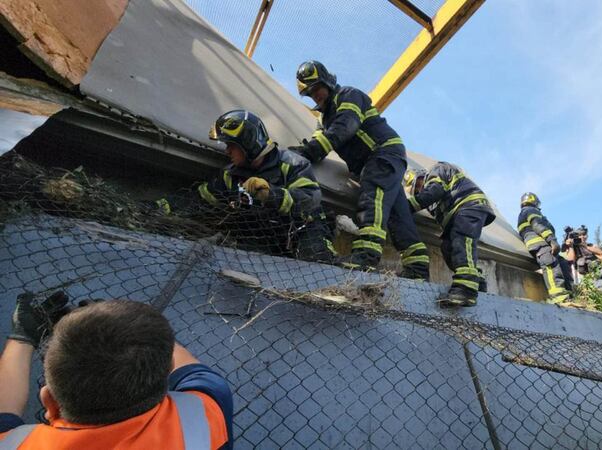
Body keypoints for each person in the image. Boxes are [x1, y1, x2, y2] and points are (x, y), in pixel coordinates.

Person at [0, 292, 233, 449]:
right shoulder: (205, 414)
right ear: (168, 370)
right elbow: (187, 365)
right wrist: (129, 326)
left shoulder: (14, 444)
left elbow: (4, 413)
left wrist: (22, 336)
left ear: (48, 402)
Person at [290, 61, 429, 279]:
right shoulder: (324, 119)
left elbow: (346, 126)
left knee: (372, 198)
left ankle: (366, 257)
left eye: (316, 88)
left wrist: (306, 153)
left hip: (382, 154)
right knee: (397, 216)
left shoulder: (348, 95)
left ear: (326, 81)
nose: (314, 95)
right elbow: (321, 140)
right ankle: (419, 269)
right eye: (309, 93)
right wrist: (307, 151)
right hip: (383, 160)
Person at [202, 109, 337, 263]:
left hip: (302, 231)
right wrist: (170, 206)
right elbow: (202, 199)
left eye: (231, 145)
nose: (227, 151)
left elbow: (310, 198)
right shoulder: (229, 175)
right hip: (261, 236)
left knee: (315, 263)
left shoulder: (292, 164)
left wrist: (271, 194)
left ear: (248, 143)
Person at [405, 163, 495, 307]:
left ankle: (466, 290)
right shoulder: (432, 204)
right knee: (448, 248)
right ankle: (477, 283)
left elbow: (434, 191)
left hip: (468, 205)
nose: (418, 190)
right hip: (457, 214)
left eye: (417, 185)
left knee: (462, 241)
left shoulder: (437, 170)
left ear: (421, 176)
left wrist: (405, 207)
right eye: (415, 190)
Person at [516, 192, 569, 303]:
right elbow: (538, 225)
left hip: (538, 244)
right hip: (541, 244)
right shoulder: (531, 210)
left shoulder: (523, 213)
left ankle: (569, 293)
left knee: (562, 263)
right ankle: (559, 297)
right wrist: (552, 240)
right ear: (535, 201)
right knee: (551, 266)